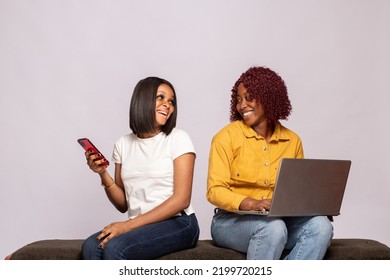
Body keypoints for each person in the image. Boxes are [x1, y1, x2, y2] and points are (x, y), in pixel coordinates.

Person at [206, 66, 333, 260]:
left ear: (268, 97)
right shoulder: (225, 138)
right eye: (238, 100)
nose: (242, 106)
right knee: (273, 229)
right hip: (231, 221)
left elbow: (296, 192)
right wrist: (252, 203)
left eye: (249, 98)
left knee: (322, 226)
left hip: (279, 220)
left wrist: (313, 205)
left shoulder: (293, 141)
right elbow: (214, 190)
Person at [81, 76, 199, 260]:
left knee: (115, 248)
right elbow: (123, 204)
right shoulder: (123, 144)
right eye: (160, 97)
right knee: (91, 247)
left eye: (171, 101)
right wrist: (103, 173)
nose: (167, 104)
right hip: (140, 225)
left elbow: (181, 200)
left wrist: (128, 226)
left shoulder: (179, 139)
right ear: (143, 99)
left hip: (179, 222)